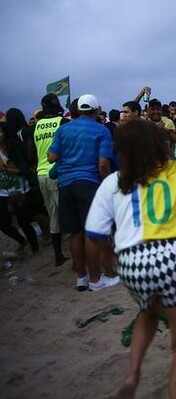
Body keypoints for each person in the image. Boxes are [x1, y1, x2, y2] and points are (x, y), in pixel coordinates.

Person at [85, 119, 176, 399]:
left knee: (148, 312)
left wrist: (108, 255)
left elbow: (94, 231)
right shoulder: (174, 170)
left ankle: (132, 376)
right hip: (173, 254)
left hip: (131, 261)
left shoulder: (113, 182)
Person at [48, 94, 119, 291]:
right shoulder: (101, 130)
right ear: (96, 111)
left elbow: (52, 156)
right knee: (92, 233)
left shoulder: (63, 129)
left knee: (75, 233)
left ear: (77, 110)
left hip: (65, 185)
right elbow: (103, 164)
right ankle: (96, 280)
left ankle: (82, 278)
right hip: (88, 183)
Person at [30, 93, 69, 266]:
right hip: (58, 172)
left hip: (41, 174)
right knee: (69, 213)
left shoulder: (36, 126)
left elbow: (31, 153)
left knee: (53, 215)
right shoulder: (62, 123)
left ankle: (58, 255)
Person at [0, 122, 39, 254]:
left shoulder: (14, 149)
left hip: (20, 190)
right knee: (3, 223)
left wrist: (6, 169)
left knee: (24, 222)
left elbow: (24, 170)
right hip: (3, 192)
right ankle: (21, 241)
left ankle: (35, 249)